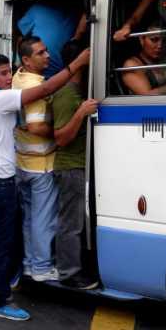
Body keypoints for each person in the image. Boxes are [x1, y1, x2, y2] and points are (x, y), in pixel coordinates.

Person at [0, 49, 90, 322]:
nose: (8, 78)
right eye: (2, 74)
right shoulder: (0, 99)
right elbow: (47, 87)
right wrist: (77, 63)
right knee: (0, 244)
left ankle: (11, 276)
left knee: (9, 235)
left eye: (8, 73)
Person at [12, 36, 62, 283]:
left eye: (46, 50)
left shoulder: (18, 77)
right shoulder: (37, 86)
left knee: (31, 218)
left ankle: (31, 264)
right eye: (41, 53)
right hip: (41, 164)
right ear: (27, 60)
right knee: (44, 220)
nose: (48, 55)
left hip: (22, 163)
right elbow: (35, 126)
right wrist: (61, 133)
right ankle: (42, 267)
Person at [52, 40, 100, 290]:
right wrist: (81, 113)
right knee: (70, 224)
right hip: (70, 167)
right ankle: (69, 274)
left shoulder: (77, 91)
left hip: (79, 166)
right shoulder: (67, 95)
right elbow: (60, 138)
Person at [17, 1, 87, 79]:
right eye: (41, 52)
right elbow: (20, 37)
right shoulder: (37, 9)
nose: (47, 55)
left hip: (65, 75)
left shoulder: (76, 12)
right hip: (41, 76)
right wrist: (19, 63)